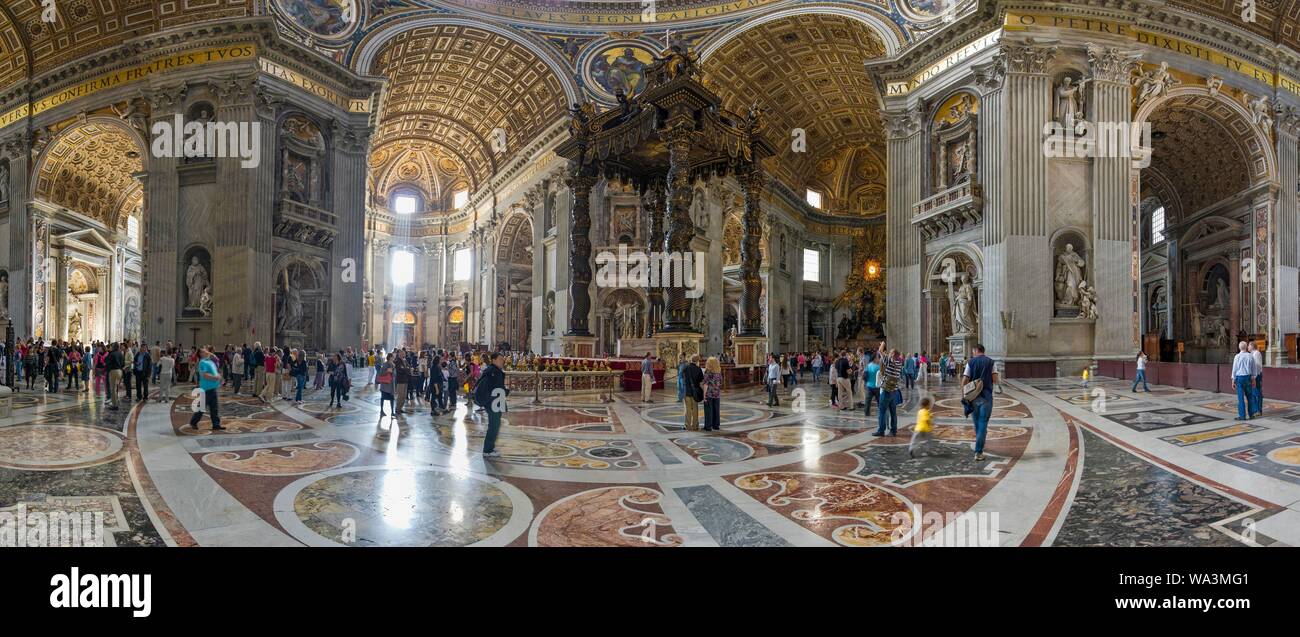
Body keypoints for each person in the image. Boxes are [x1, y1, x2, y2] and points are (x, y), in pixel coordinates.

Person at [962, 343, 996, 461]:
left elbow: (965, 379)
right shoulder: (991, 362)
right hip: (986, 397)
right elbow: (995, 380)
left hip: (973, 398)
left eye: (973, 351)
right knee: (983, 424)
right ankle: (978, 451)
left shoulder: (970, 362)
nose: (972, 353)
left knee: (977, 424)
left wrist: (964, 393)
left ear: (976, 350)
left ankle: (980, 444)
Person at [475, 352, 509, 458]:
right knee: (494, 426)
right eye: (500, 359)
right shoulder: (494, 372)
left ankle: (490, 446)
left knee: (495, 425)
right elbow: (497, 388)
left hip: (493, 400)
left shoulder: (491, 370)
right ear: (493, 360)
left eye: (502, 359)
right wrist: (506, 391)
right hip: (493, 402)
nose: (502, 361)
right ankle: (488, 450)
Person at [188, 348, 225, 431]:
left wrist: (220, 378)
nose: (207, 351)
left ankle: (216, 424)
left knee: (214, 408)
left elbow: (216, 361)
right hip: (206, 389)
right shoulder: (202, 362)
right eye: (204, 351)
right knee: (201, 408)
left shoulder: (210, 361)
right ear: (201, 354)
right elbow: (204, 375)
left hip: (213, 388)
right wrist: (216, 377)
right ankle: (193, 422)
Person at [873, 349, 902, 437]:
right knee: (893, 412)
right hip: (894, 391)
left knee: (882, 411)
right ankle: (893, 431)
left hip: (886, 391)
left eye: (890, 353)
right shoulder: (899, 363)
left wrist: (882, 343)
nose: (888, 354)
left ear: (892, 354)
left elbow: (880, 351)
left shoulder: (890, 362)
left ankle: (881, 430)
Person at [1230, 341, 1257, 421]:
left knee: (1240, 398)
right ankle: (1251, 414)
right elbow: (1253, 369)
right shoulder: (1250, 356)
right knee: (1250, 397)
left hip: (1240, 379)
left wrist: (1233, 380)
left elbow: (1234, 369)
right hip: (1248, 378)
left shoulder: (1237, 356)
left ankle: (1242, 416)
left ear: (1239, 348)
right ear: (1246, 347)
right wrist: (1254, 379)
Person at [682, 355, 704, 431]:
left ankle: (687, 426)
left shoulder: (685, 368)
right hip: (695, 392)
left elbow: (683, 379)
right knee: (695, 409)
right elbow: (701, 381)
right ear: (697, 361)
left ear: (691, 360)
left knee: (687, 410)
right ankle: (695, 426)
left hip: (687, 391)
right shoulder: (698, 369)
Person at [702, 356, 723, 432]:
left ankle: (708, 426)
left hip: (709, 394)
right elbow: (721, 382)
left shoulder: (708, 372)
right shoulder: (719, 372)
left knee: (708, 410)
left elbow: (705, 384)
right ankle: (716, 425)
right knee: (716, 410)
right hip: (717, 394)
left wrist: (704, 395)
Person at [106, 343, 125, 410]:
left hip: (113, 371)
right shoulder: (121, 354)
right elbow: (123, 363)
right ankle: (116, 401)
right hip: (120, 371)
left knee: (113, 389)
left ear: (113, 347)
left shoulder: (111, 354)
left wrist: (109, 370)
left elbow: (107, 362)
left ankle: (115, 405)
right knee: (116, 388)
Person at [1248, 341, 1264, 418]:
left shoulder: (1256, 353)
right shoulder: (1251, 354)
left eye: (1249, 345)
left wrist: (1254, 377)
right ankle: (1255, 410)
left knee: (1257, 393)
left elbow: (1257, 366)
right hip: (1253, 376)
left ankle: (1258, 410)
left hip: (1257, 376)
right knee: (1253, 393)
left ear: (1252, 346)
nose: (1248, 347)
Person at [864, 353, 881, 417]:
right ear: (875, 359)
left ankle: (867, 413)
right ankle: (881, 413)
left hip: (869, 386)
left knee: (868, 401)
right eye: (878, 358)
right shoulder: (878, 367)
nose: (878, 359)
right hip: (877, 387)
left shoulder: (868, 365)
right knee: (879, 401)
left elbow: (865, 375)